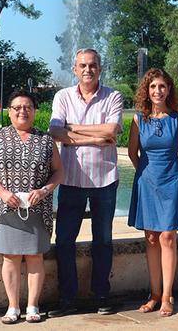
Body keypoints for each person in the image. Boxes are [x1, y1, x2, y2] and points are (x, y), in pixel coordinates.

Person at [48, 47, 122, 316]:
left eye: (93, 65)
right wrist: (94, 138)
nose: (88, 70)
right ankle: (68, 297)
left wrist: (73, 129)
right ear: (75, 69)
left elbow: (111, 130)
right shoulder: (63, 96)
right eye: (83, 65)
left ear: (100, 68)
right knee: (65, 239)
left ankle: (101, 294)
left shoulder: (112, 95)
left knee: (103, 239)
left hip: (105, 180)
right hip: (71, 180)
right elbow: (55, 131)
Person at [0, 91, 62, 324]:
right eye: (17, 107)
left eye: (28, 107)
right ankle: (13, 307)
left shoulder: (46, 139)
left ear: (35, 111)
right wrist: (3, 193)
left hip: (36, 207)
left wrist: (45, 190)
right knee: (10, 257)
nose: (22, 111)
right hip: (6, 208)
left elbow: (59, 171)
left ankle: (33, 306)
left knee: (35, 257)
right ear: (9, 111)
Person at [127, 68, 178, 317]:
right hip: (147, 183)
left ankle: (167, 296)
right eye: (153, 87)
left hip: (171, 182)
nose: (157, 91)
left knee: (167, 238)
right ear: (147, 90)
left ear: (169, 89)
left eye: (162, 86)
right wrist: (146, 175)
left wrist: (173, 174)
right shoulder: (137, 119)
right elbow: (133, 153)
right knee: (151, 238)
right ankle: (153, 294)